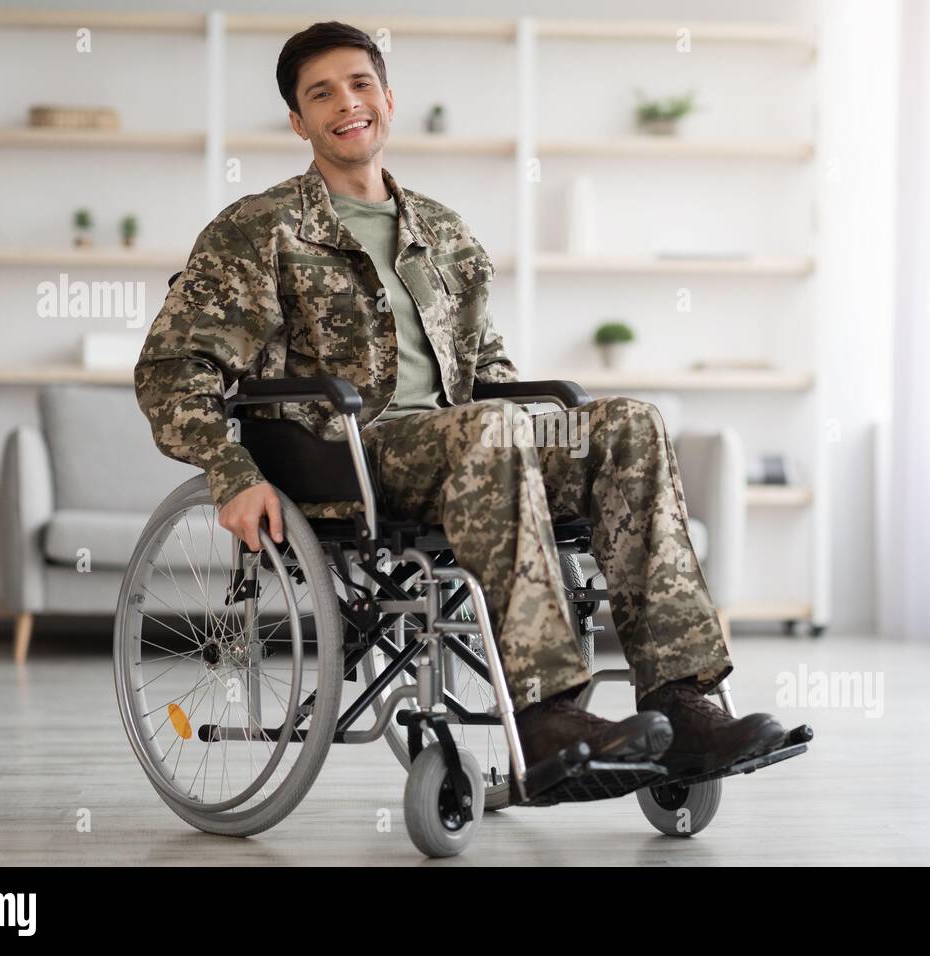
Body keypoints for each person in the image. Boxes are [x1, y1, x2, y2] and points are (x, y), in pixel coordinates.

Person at [133, 20, 785, 779]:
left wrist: (549, 430)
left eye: (360, 84)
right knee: (491, 431)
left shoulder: (444, 233)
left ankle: (685, 704)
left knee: (628, 424)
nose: (347, 103)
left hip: (476, 439)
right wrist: (231, 472)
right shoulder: (260, 229)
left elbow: (489, 371)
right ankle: (543, 715)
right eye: (322, 94)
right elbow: (172, 367)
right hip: (343, 455)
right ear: (298, 121)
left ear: (387, 99)